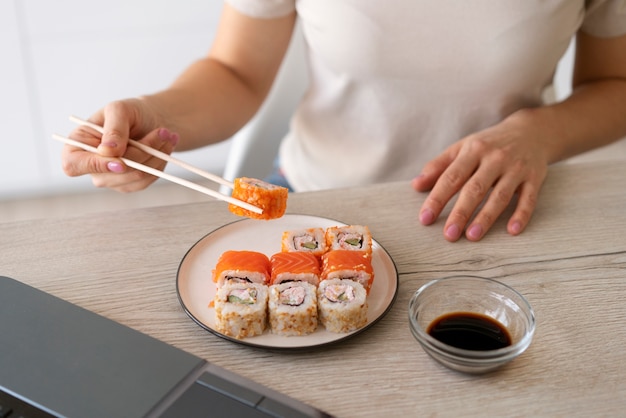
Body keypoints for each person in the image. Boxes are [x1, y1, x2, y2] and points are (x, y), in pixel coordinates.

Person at [61, 1, 626, 242]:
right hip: (316, 201)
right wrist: (154, 119)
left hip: (489, 216)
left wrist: (538, 133)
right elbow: (236, 71)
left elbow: (614, 86)